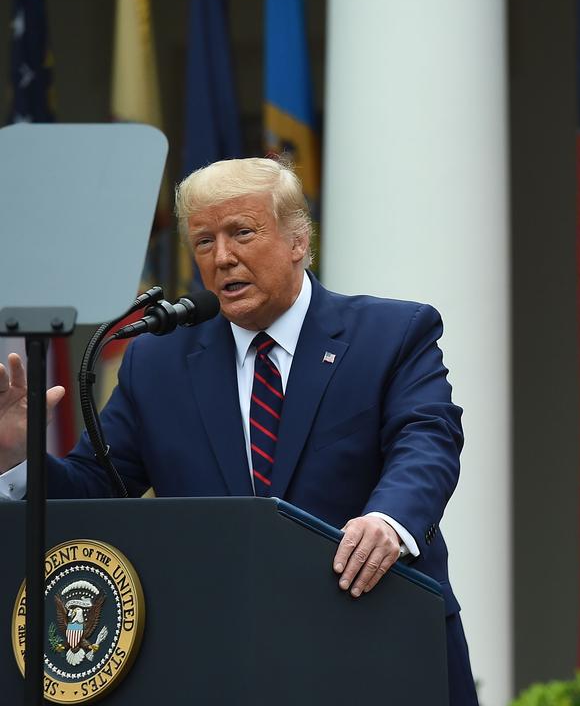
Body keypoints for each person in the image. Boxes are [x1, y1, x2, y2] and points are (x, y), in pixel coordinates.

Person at [0, 157, 479, 706]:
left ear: (298, 240)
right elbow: (97, 488)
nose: (222, 256)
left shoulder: (391, 334)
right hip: (222, 658)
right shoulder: (156, 364)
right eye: (203, 241)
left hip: (373, 633)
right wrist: (16, 458)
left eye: (242, 233)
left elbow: (427, 439)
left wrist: (389, 520)